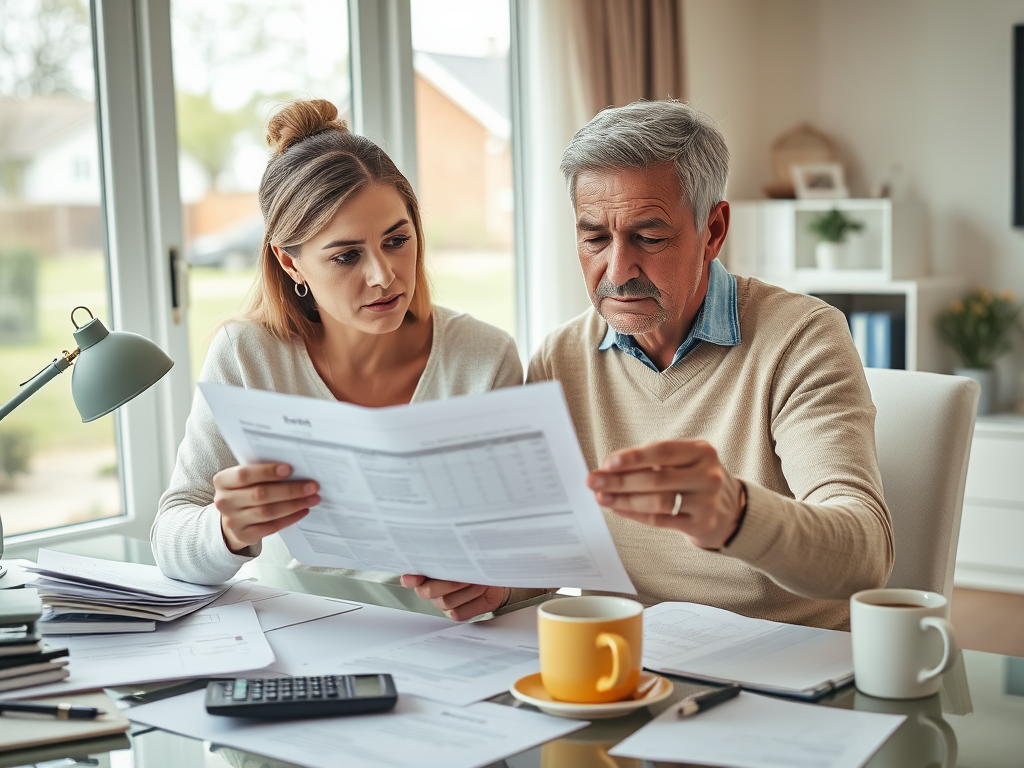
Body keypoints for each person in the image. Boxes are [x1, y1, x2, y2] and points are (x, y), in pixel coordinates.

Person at [406, 100, 893, 630]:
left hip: (783, 669)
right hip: (624, 663)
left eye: (650, 238)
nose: (617, 269)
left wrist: (736, 514)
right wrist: (496, 583)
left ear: (713, 230)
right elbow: (548, 550)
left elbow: (863, 555)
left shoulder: (800, 338)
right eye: (594, 237)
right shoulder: (561, 357)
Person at [153, 99, 522, 587]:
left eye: (397, 240)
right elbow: (172, 532)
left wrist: (499, 586)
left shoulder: (484, 359)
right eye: (347, 256)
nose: (384, 276)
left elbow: (526, 550)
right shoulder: (247, 355)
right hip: (297, 637)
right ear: (290, 264)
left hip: (448, 638)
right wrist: (226, 530)